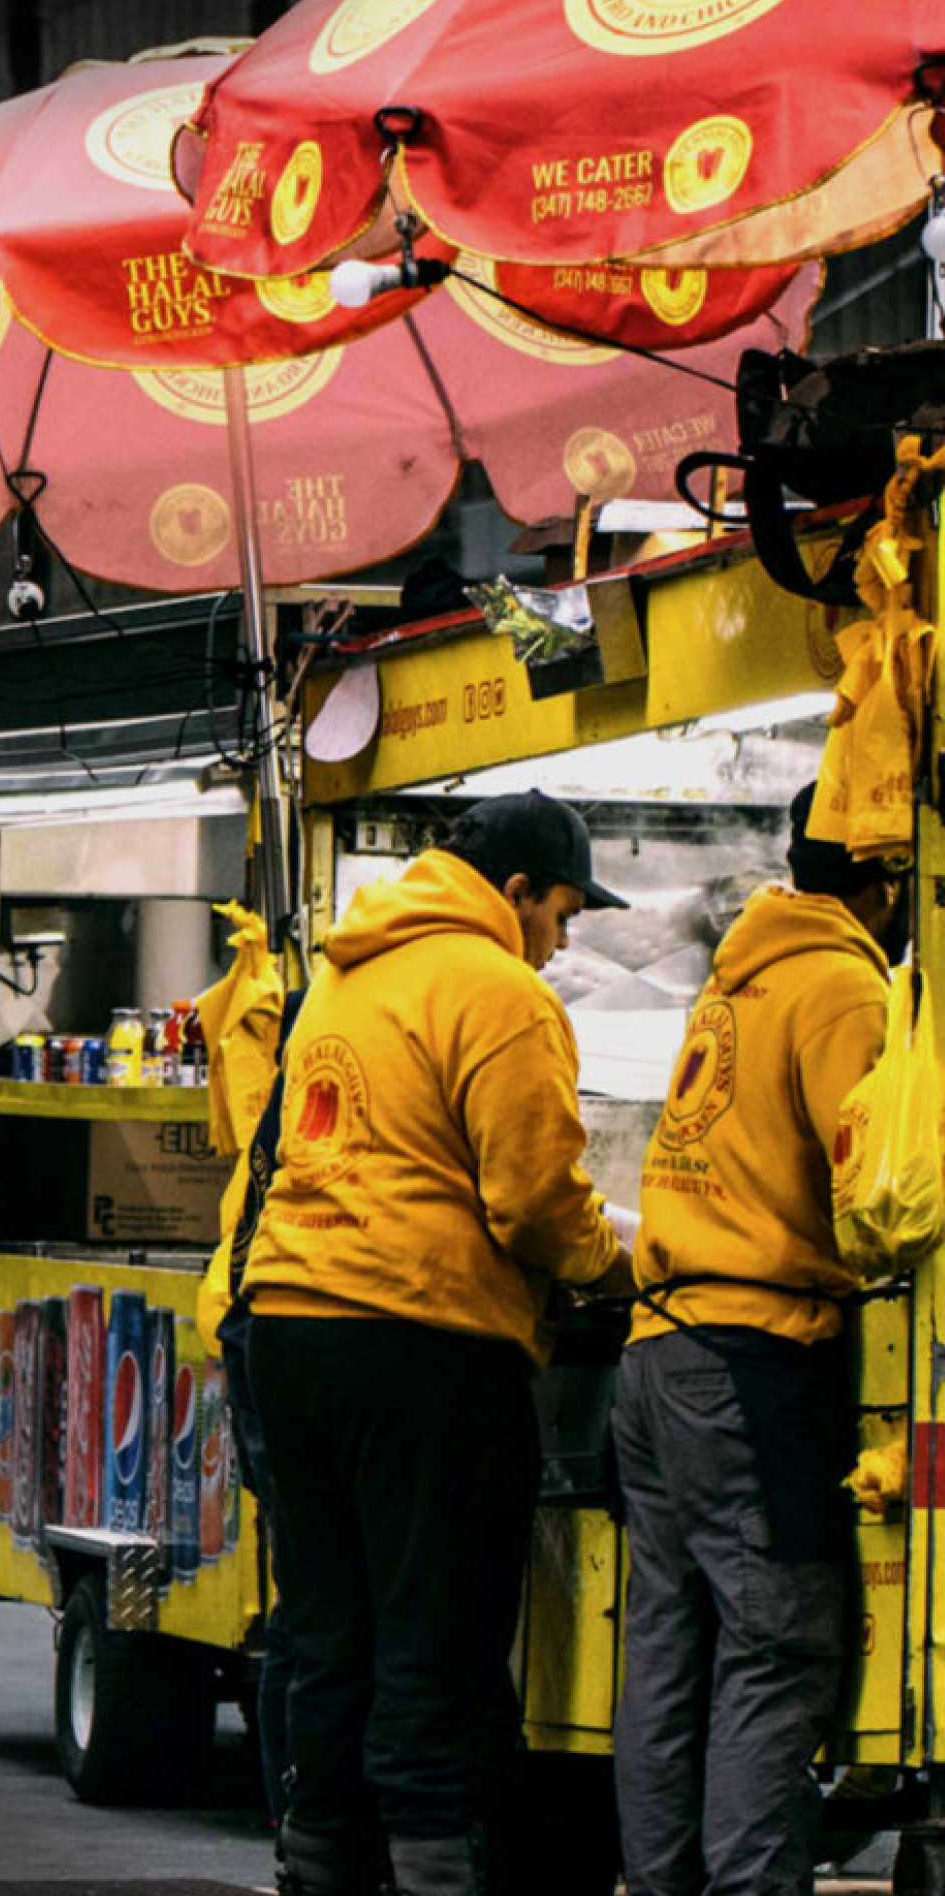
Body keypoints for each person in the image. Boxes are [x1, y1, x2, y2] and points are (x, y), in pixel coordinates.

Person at [241, 791, 631, 1896]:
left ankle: (318, 1865)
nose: (559, 943)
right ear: (516, 893)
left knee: (333, 1627)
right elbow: (534, 1204)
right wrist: (616, 1267)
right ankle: (434, 1874)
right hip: (424, 1339)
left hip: (291, 1331)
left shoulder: (346, 972)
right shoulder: (499, 990)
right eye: (561, 913)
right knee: (437, 1630)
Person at [613, 783, 904, 1896]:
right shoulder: (840, 986)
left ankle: (664, 1883)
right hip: (748, 1361)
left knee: (671, 1658)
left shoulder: (740, 975)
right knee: (777, 1652)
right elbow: (873, 1190)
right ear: (884, 881)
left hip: (659, 1354)